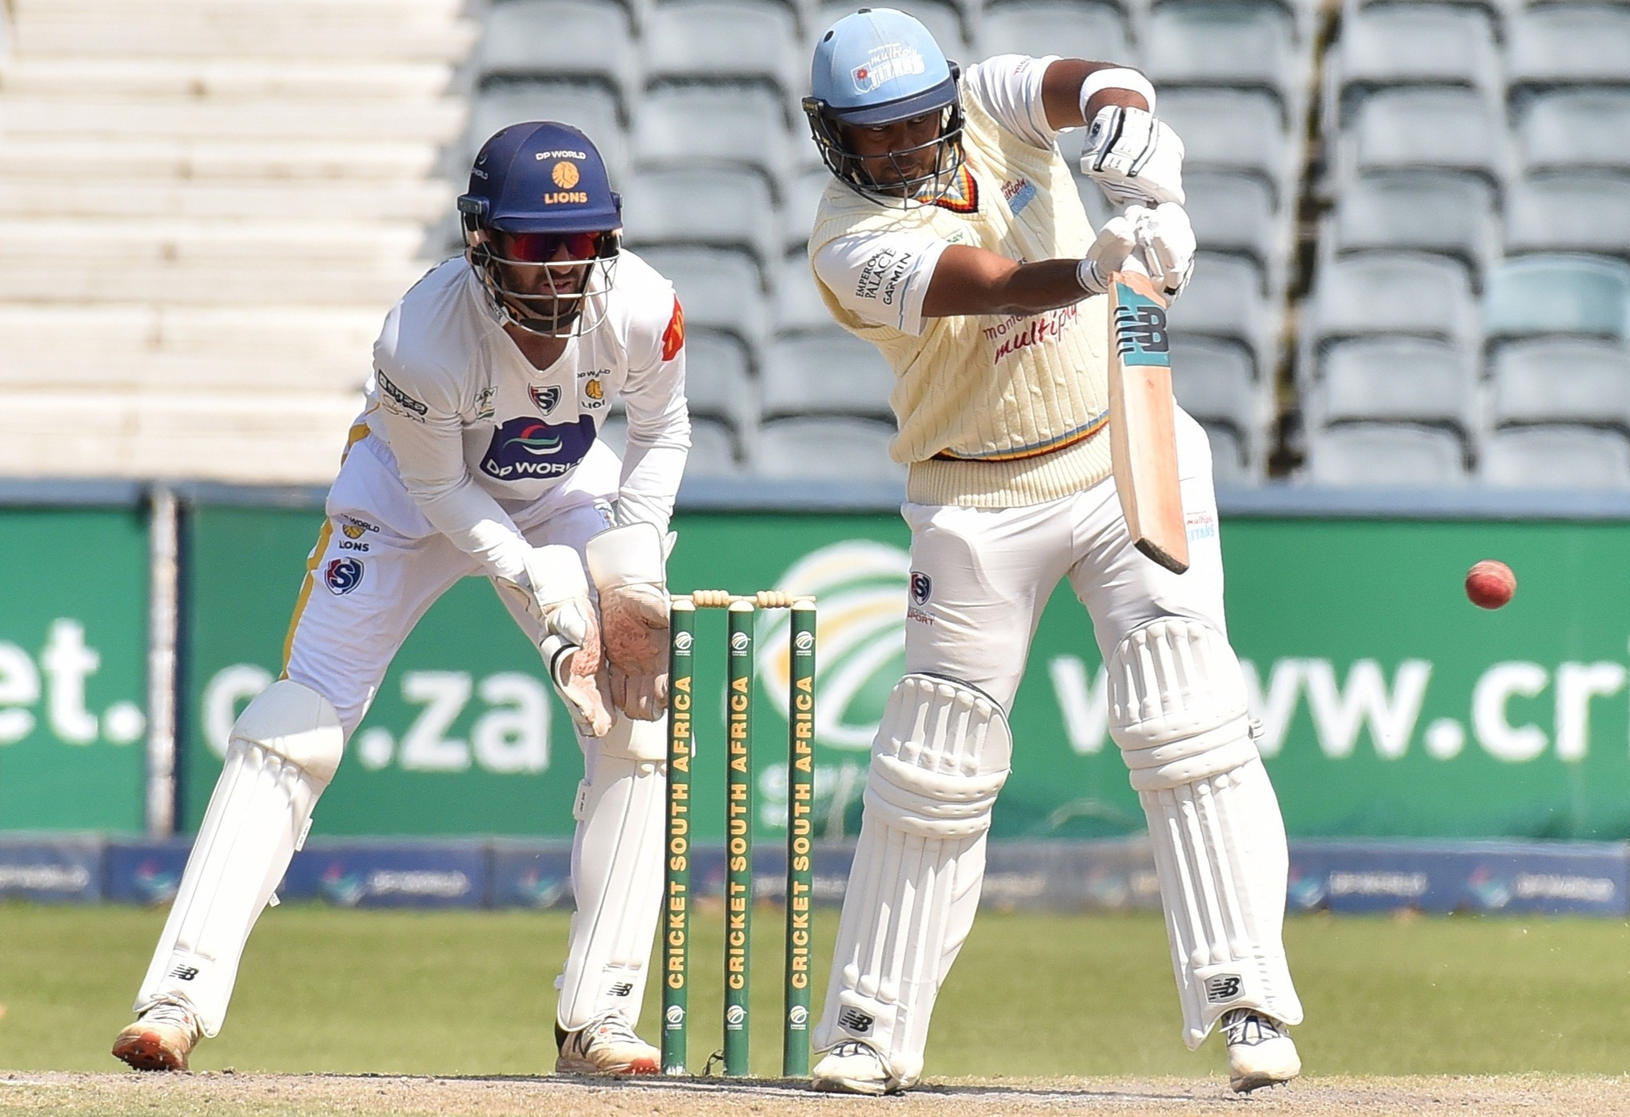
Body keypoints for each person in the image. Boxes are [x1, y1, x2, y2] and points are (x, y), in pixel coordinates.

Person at [111, 121, 688, 1077]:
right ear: (481, 242)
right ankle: (177, 994)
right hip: (408, 500)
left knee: (636, 716)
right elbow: (443, 490)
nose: (560, 270)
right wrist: (535, 577)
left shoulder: (645, 307)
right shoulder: (421, 336)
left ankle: (599, 1018)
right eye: (536, 244)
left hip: (561, 490)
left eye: (581, 241)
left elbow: (664, 433)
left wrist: (630, 566)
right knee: (296, 725)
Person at [798, 9, 1302, 1096]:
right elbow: (984, 285)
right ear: (833, 136)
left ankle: (1249, 999)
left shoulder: (987, 100)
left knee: (1186, 716)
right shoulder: (845, 240)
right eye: (872, 133)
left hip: (1125, 444)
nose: (898, 149)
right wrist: (1095, 267)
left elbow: (1097, 80)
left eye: (912, 123)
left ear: (943, 101)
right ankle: (869, 1030)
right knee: (933, 759)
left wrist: (1140, 158)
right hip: (974, 495)